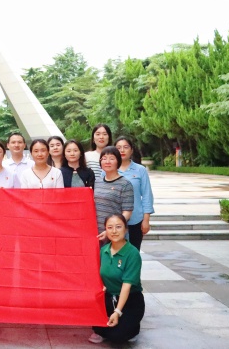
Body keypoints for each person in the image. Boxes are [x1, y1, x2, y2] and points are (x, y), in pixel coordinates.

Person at [89, 214, 145, 344]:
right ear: (105, 230)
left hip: (130, 300)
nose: (114, 231)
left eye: (118, 227)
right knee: (99, 328)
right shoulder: (104, 250)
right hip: (109, 298)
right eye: (110, 227)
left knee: (116, 338)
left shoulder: (132, 253)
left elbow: (126, 286)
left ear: (126, 229)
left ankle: (133, 328)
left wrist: (118, 312)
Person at [115, 136, 154, 251]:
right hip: (114, 221)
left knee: (133, 254)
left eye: (126, 147)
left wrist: (146, 219)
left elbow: (147, 195)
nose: (122, 150)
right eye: (118, 148)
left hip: (135, 220)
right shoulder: (108, 169)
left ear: (131, 150)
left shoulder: (140, 170)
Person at [94, 146, 133, 242]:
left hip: (116, 234)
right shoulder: (97, 181)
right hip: (97, 233)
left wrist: (111, 230)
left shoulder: (125, 184)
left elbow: (127, 212)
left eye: (111, 158)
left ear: (118, 161)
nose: (107, 162)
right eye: (104, 159)